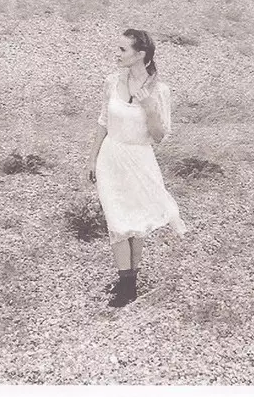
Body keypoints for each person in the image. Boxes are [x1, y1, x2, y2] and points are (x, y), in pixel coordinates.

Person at [86, 28, 187, 308]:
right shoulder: (111, 82)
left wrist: (150, 108)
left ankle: (129, 282)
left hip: (139, 160)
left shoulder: (160, 91)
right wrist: (92, 158)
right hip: (111, 157)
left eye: (123, 50)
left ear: (140, 54)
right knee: (116, 220)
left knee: (136, 220)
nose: (117, 54)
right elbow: (103, 121)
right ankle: (126, 283)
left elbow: (159, 136)